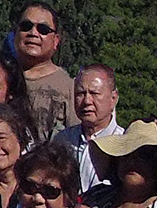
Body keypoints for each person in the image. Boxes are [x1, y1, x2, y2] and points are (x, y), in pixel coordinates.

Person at [52, 65, 122, 195]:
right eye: (80, 94)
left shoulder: (124, 145)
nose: (87, 101)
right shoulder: (62, 141)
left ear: (113, 98)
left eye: (95, 93)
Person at [13, 2, 73, 139]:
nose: (33, 33)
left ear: (56, 41)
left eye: (43, 29)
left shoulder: (69, 88)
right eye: (26, 26)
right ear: (15, 33)